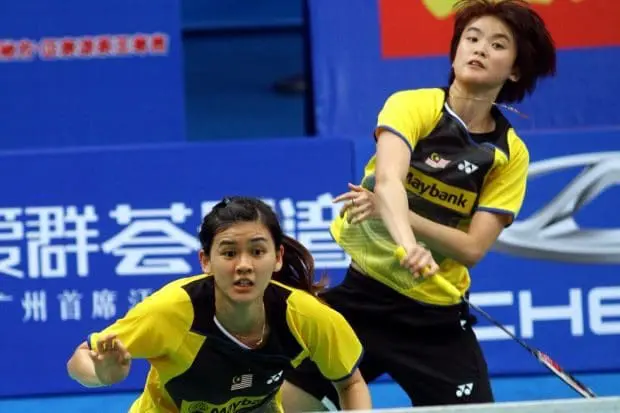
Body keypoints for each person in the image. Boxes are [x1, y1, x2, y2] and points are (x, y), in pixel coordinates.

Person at [282, 0, 557, 409]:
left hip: (434, 318)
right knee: (285, 398)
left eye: (498, 45)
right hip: (362, 298)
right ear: (456, 50)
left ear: (515, 70)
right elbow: (389, 180)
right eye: (472, 38)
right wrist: (408, 244)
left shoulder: (509, 154)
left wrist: (397, 216)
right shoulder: (414, 106)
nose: (480, 49)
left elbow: (472, 248)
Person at [67, 196, 372, 413]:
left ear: (277, 257)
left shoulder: (306, 316)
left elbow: (350, 384)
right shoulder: (171, 311)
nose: (244, 265)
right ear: (206, 261)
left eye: (257, 252)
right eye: (228, 253)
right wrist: (102, 374)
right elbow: (79, 361)